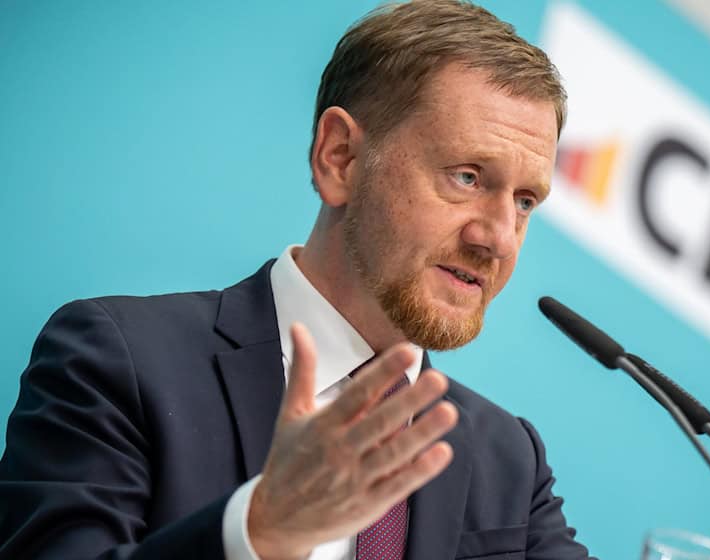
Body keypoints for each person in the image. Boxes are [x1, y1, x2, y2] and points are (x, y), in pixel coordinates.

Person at [0, 1, 595, 559]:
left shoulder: (511, 467)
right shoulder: (121, 358)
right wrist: (258, 533)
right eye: (467, 177)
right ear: (339, 158)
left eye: (523, 201)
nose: (497, 237)